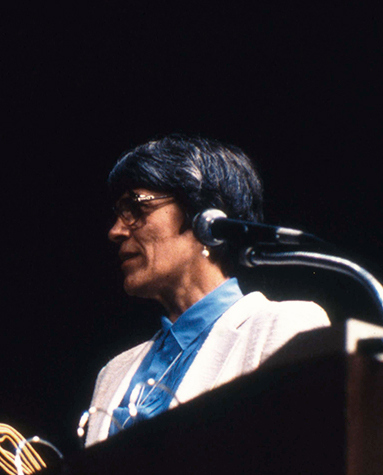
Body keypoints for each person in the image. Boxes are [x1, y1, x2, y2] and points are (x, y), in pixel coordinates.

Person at [83, 134, 331, 445]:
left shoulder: (283, 327)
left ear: (207, 218)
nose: (116, 231)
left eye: (135, 208)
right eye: (118, 213)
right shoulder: (113, 373)